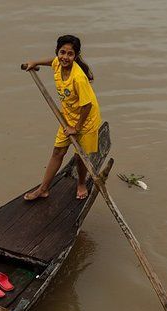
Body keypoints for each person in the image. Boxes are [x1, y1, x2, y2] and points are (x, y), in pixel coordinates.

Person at [22, 34, 102, 201]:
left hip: (86, 120)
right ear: (58, 52)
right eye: (62, 52)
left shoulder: (78, 78)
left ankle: (81, 183)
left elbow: (86, 106)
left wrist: (77, 128)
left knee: (80, 156)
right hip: (67, 118)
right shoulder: (58, 63)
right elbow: (52, 61)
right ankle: (43, 189)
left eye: (70, 54)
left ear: (76, 55)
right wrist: (35, 63)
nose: (65, 57)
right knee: (58, 151)